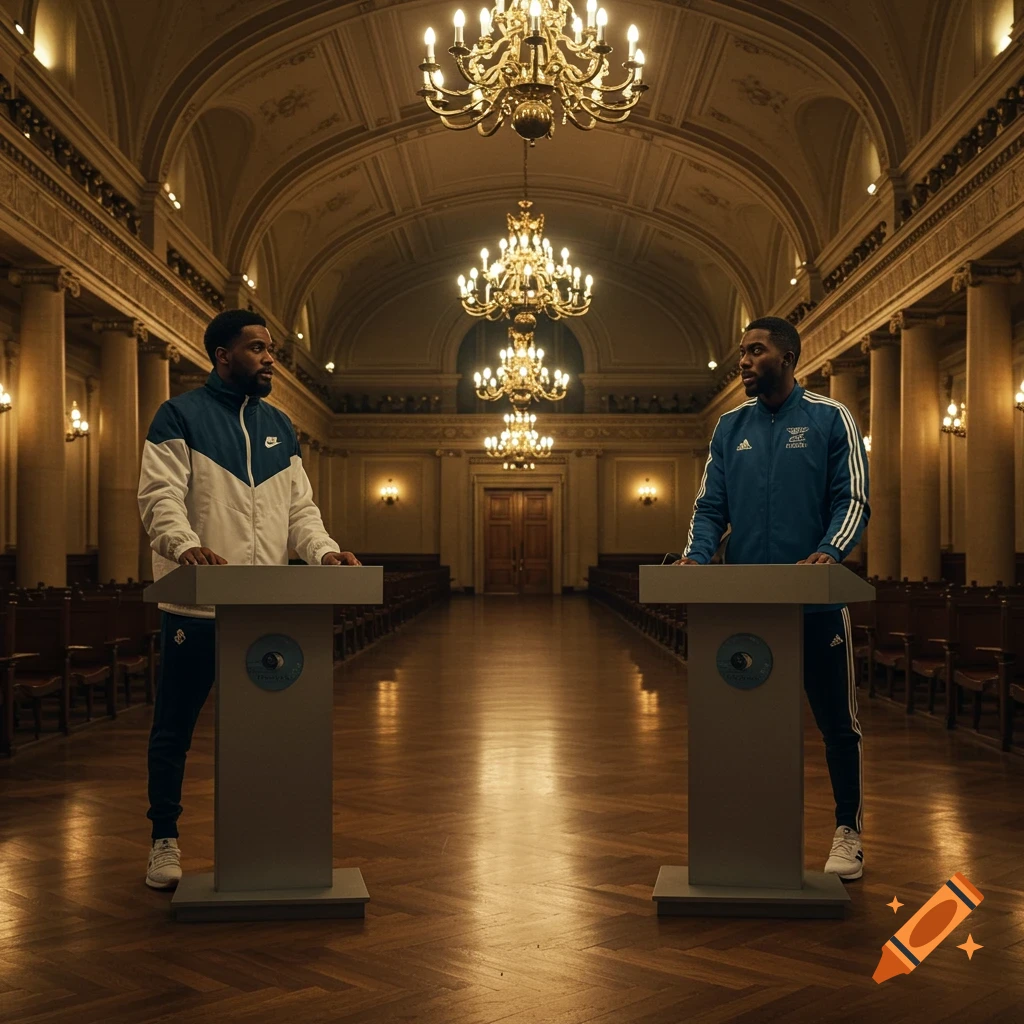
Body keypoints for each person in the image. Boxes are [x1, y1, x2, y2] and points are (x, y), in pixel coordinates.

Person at [137, 308, 361, 890]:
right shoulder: (178, 416)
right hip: (197, 608)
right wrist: (186, 545)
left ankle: (269, 837)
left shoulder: (281, 426)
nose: (269, 359)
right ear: (222, 355)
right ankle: (164, 838)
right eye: (257, 348)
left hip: (266, 610)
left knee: (271, 729)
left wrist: (325, 553)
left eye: (271, 350)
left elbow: (300, 514)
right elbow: (160, 498)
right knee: (174, 729)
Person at [676, 316, 869, 880]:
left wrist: (830, 551)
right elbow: (711, 506)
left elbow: (852, 496)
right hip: (746, 608)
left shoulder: (831, 418)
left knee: (837, 722)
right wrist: (697, 553)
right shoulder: (729, 427)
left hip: (813, 604)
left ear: (787, 356)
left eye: (755, 351)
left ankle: (848, 831)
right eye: (742, 351)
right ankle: (747, 826)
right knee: (746, 723)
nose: (743, 361)